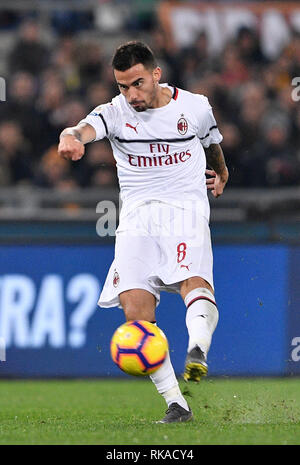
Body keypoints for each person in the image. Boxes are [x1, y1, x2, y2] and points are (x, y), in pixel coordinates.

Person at [58, 41, 228, 423]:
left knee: (193, 283)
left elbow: (212, 144)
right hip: (136, 219)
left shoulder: (194, 107)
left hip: (184, 210)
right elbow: (84, 127)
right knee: (135, 314)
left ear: (156, 74)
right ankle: (176, 403)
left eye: (137, 83)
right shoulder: (114, 113)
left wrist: (222, 171)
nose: (131, 94)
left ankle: (198, 347)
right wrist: (70, 136)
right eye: (122, 86)